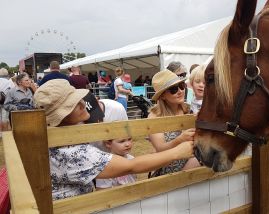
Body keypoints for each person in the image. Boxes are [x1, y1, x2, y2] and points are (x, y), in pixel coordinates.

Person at [33, 79, 194, 200]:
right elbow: (131, 166)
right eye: (73, 104)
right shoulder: (73, 153)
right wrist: (177, 152)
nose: (82, 103)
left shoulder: (62, 139)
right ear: (63, 116)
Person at [148, 70, 200, 177]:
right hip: (168, 171)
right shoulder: (154, 117)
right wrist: (179, 139)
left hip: (191, 168)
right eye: (173, 89)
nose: (180, 91)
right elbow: (160, 148)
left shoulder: (189, 110)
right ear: (162, 96)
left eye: (181, 86)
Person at [0, 68, 15, 134]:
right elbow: (13, 92)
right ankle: (5, 134)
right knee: (5, 118)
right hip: (5, 102)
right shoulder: (9, 82)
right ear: (7, 74)